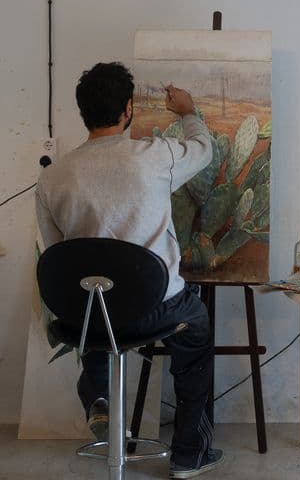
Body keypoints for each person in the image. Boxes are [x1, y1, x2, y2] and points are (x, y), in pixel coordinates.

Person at [35, 62, 223, 479]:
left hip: (84, 316)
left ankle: (97, 395)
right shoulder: (155, 157)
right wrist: (188, 112)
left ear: (83, 111)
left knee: (93, 299)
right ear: (128, 108)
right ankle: (189, 455)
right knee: (196, 327)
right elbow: (205, 151)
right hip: (155, 310)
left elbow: (55, 255)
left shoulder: (52, 179)